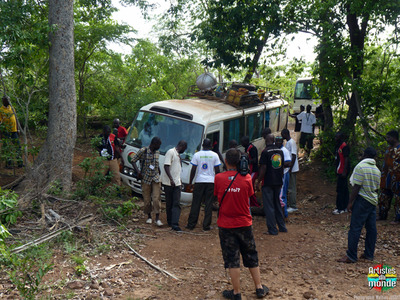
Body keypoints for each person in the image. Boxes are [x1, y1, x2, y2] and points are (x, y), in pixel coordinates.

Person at [215, 148, 269, 300]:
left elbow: (216, 196)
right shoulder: (246, 180)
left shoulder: (218, 178)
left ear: (225, 161)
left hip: (226, 225)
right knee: (251, 254)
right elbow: (250, 196)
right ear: (240, 162)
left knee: (232, 259)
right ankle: (259, 288)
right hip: (244, 223)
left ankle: (236, 292)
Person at [337, 147, 380, 263]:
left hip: (362, 200)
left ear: (365, 154)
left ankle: (351, 255)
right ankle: (369, 254)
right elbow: (376, 189)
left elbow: (356, 187)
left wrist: (350, 202)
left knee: (355, 228)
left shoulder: (361, 167)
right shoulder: (377, 170)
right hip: (372, 201)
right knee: (371, 229)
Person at [186, 139, 221, 231]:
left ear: (202, 145)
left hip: (199, 181)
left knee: (196, 203)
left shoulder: (197, 155)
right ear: (211, 146)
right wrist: (218, 183)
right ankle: (206, 226)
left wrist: (190, 182)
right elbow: (217, 171)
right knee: (208, 204)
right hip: (211, 182)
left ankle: (191, 224)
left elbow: (193, 169)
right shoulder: (215, 155)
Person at [256, 134, 287, 235]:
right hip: (278, 181)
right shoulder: (280, 151)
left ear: (265, 140)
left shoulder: (265, 152)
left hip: (268, 182)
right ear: (273, 140)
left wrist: (258, 181)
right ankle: (282, 227)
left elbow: (263, 168)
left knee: (269, 206)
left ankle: (272, 229)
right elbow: (281, 167)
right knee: (277, 204)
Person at [131, 137, 163, 226]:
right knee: (147, 199)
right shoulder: (143, 151)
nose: (160, 147)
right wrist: (138, 172)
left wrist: (159, 170)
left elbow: (156, 163)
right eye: (159, 145)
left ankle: (157, 218)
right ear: (154, 144)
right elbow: (133, 160)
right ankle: (149, 217)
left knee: (156, 198)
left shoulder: (157, 152)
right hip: (145, 178)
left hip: (155, 178)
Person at [161, 140, 188, 232]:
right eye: (184, 148)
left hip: (176, 183)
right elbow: (166, 166)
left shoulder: (177, 155)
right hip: (169, 183)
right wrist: (171, 179)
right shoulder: (171, 152)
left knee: (176, 203)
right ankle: (171, 222)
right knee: (169, 203)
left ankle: (174, 223)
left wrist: (178, 180)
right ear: (182, 146)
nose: (184, 151)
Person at [378, 130, 400, 222]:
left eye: (388, 138)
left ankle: (398, 218)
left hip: (398, 178)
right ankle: (382, 215)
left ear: (394, 138)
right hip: (386, 177)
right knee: (384, 196)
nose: (387, 140)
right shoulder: (388, 149)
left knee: (398, 198)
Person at [0, 96, 23, 168]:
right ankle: (8, 164)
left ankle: (20, 163)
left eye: (9, 100)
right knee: (7, 147)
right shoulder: (0, 110)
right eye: (6, 100)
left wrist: (18, 129)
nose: (8, 101)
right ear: (3, 101)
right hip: (5, 131)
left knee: (18, 146)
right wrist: (1, 133)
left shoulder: (12, 108)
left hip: (14, 131)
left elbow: (15, 119)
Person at [281, 129, 299, 213]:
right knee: (288, 187)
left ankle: (293, 205)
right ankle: (289, 204)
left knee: (292, 187)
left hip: (292, 169)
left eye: (282, 135)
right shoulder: (288, 143)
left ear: (285, 134)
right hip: (289, 168)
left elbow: (294, 155)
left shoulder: (291, 142)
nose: (281, 137)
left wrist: (290, 168)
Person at [333, 132, 350, 215]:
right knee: (344, 189)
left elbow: (346, 159)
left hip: (342, 171)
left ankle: (340, 208)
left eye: (337, 136)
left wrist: (344, 171)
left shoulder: (344, 146)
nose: (335, 138)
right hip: (339, 170)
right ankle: (345, 206)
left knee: (341, 190)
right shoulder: (337, 146)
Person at [275, 136, 292, 217]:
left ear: (282, 142)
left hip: (284, 174)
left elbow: (289, 163)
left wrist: (279, 165)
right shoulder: (275, 149)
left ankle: (284, 215)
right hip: (278, 175)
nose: (277, 143)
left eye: (279, 141)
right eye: (276, 141)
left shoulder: (284, 151)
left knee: (283, 195)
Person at [241, 136, 259, 207]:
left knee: (250, 186)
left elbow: (254, 160)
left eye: (242, 142)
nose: (241, 144)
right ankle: (251, 202)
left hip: (254, 170)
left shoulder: (252, 148)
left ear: (246, 142)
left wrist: (246, 160)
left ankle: (255, 204)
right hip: (250, 170)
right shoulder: (247, 148)